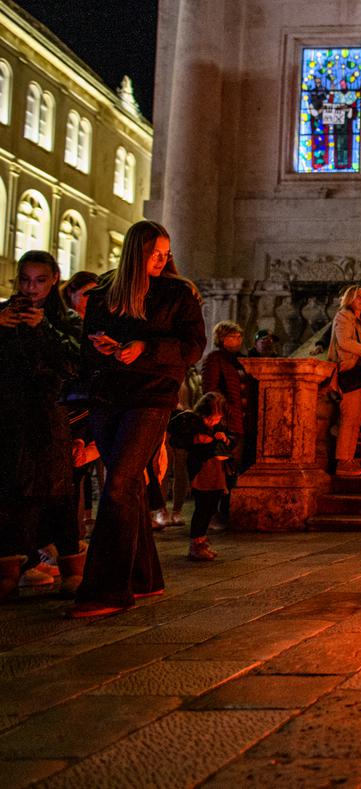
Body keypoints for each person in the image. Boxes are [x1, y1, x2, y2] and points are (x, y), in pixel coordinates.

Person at [70, 222, 206, 618]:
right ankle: (145, 578)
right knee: (126, 487)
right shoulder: (104, 293)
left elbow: (193, 346)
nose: (162, 260)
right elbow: (86, 350)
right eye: (154, 253)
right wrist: (108, 349)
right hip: (108, 396)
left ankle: (107, 590)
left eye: (166, 253)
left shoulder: (177, 292)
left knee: (119, 484)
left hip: (151, 396)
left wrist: (144, 348)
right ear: (135, 252)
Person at [0, 251, 82, 597]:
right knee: (8, 493)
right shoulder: (4, 317)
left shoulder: (66, 320)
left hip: (50, 416)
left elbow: (75, 361)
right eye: (25, 280)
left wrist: (44, 328)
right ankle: (9, 567)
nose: (31, 289)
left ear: (54, 280)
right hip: (7, 416)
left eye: (40, 280)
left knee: (57, 492)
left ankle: (69, 567)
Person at [167, 392, 234, 561]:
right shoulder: (194, 426)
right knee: (202, 508)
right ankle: (196, 543)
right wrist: (210, 443)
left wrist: (224, 440)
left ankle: (202, 541)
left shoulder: (217, 427)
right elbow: (196, 450)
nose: (215, 420)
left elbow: (228, 444)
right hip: (202, 474)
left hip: (217, 473)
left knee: (211, 507)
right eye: (212, 417)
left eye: (218, 417)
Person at [200, 320, 250, 526]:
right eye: (233, 336)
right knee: (222, 467)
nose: (237, 340)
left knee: (235, 467)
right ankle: (214, 513)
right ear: (222, 338)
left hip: (242, 419)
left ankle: (226, 510)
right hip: (226, 420)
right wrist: (223, 412)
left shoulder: (240, 360)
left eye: (239, 336)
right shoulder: (214, 359)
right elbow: (210, 390)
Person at [328, 285, 361, 478]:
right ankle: (343, 461)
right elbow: (344, 342)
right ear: (350, 299)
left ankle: (349, 457)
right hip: (350, 371)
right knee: (348, 418)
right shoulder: (344, 317)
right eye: (359, 297)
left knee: (356, 420)